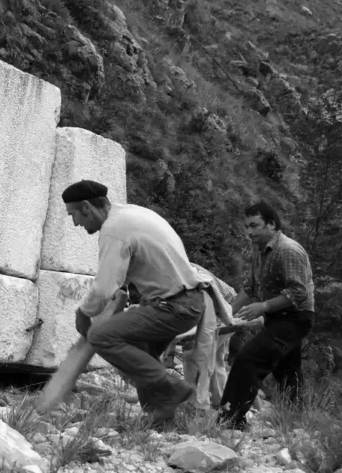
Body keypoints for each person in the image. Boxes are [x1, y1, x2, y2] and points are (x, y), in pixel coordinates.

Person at [64, 179, 229, 426]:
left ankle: (171, 387)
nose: (76, 223)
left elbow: (104, 286)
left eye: (74, 215)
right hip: (188, 301)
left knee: (100, 336)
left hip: (174, 306)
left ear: (87, 207)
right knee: (141, 351)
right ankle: (160, 416)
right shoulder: (133, 214)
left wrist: (84, 313)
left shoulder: (114, 230)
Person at [217, 201, 315, 430]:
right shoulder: (259, 251)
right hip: (277, 316)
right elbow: (249, 288)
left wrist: (263, 306)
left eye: (254, 225)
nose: (249, 231)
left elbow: (298, 292)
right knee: (287, 371)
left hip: (296, 317)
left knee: (248, 359)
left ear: (271, 224)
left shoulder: (288, 250)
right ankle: (295, 423)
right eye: (247, 226)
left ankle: (231, 420)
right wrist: (225, 315)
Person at [182, 263, 236, 411]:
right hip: (223, 305)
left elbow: (211, 301)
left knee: (201, 356)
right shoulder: (181, 268)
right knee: (216, 360)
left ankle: (198, 404)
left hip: (223, 307)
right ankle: (221, 404)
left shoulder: (188, 273)